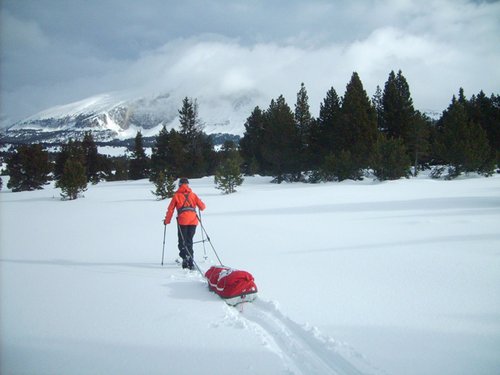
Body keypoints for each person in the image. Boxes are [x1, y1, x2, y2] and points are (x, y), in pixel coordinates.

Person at [164, 178, 206, 270]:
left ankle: (185, 258)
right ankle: (190, 259)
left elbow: (170, 209)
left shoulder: (176, 196)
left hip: (182, 221)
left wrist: (167, 221)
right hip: (193, 221)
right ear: (188, 185)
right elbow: (202, 207)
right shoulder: (193, 195)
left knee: (182, 241)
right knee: (189, 240)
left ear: (179, 185)